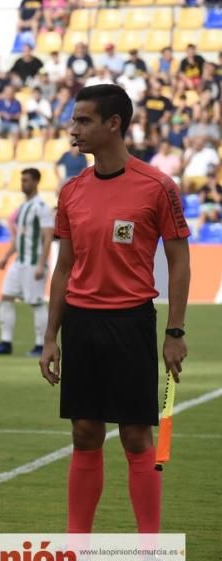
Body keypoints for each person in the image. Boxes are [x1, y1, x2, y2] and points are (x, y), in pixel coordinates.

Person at [40, 84, 190, 535]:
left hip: (131, 322)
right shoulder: (71, 191)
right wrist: (50, 336)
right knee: (84, 432)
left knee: (135, 436)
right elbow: (65, 267)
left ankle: (149, 547)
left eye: (84, 120)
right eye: (73, 120)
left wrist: (175, 331)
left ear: (114, 124)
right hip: (81, 324)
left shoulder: (157, 186)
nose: (74, 130)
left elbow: (180, 261)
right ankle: (76, 545)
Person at [0, 168, 55, 357]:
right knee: (6, 297)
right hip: (19, 262)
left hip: (34, 263)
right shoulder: (24, 207)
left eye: (26, 180)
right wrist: (6, 256)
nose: (22, 183)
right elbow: (20, 238)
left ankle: (40, 345)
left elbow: (48, 237)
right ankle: (5, 342)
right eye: (22, 180)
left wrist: (42, 264)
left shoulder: (41, 208)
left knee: (36, 303)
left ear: (35, 182)